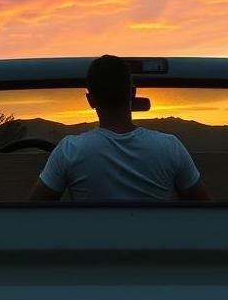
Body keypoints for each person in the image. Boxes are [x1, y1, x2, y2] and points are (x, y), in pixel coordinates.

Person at [28, 54, 213, 202]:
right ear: (133, 93)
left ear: (90, 100)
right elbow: (206, 211)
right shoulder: (170, 147)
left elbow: (34, 214)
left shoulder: (69, 150)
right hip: (156, 248)